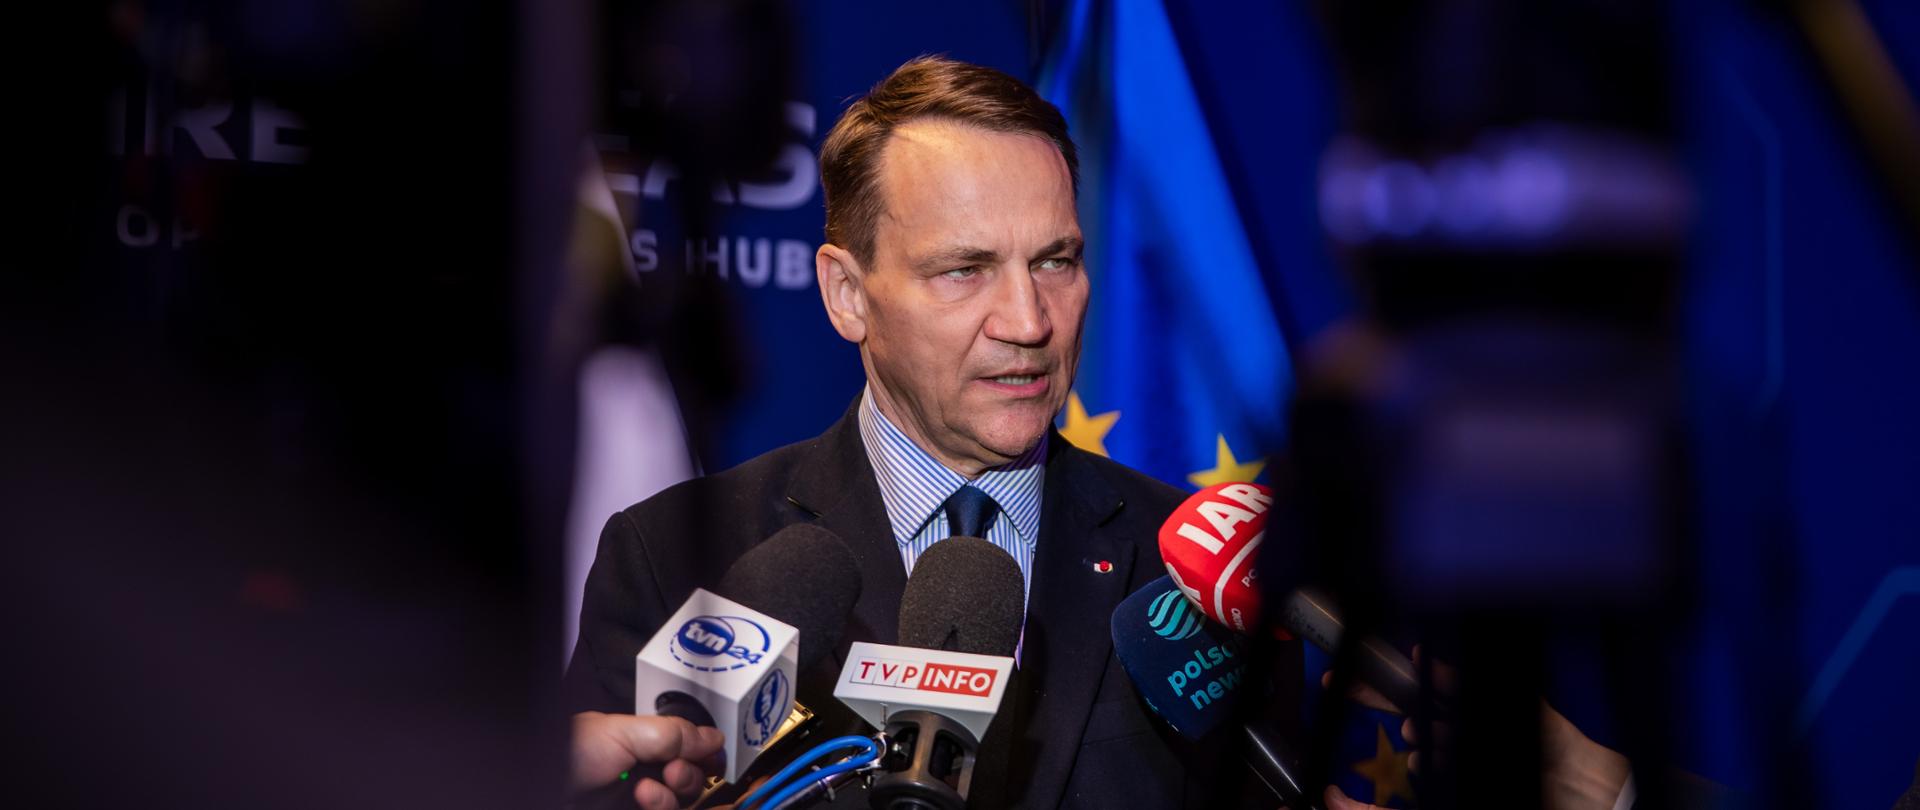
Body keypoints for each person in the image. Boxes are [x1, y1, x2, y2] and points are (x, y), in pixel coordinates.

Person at [562, 56, 1277, 808]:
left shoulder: (1197, 576)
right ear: (847, 294)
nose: (1029, 322)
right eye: (964, 270)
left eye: (1054, 261)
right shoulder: (673, 557)